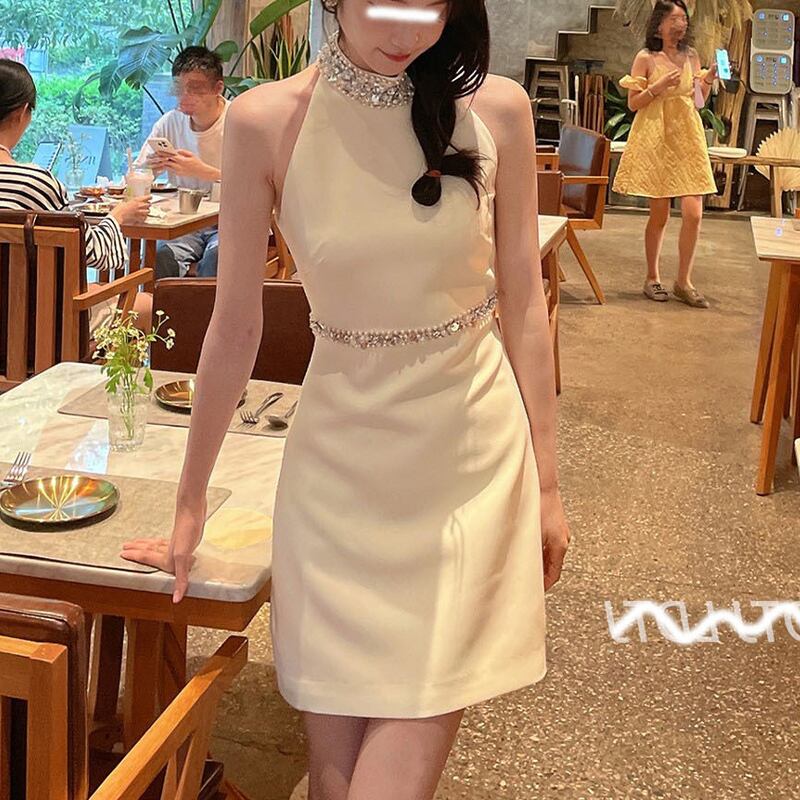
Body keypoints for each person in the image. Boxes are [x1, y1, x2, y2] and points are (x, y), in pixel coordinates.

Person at [121, 0, 571, 796]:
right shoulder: (266, 121)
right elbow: (235, 328)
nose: (404, 32)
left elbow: (526, 306)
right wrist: (190, 503)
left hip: (466, 459)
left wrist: (549, 481)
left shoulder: (495, 108)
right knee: (332, 783)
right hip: (335, 472)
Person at [0, 59, 151, 329]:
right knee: (147, 305)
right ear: (22, 113)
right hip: (32, 328)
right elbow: (91, 252)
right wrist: (118, 216)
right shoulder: (33, 183)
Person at [612, 0, 717, 308]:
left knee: (694, 213)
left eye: (683, 19)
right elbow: (633, 103)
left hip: (687, 137)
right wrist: (657, 86)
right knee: (659, 215)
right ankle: (652, 277)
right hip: (657, 136)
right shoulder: (646, 57)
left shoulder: (692, 56)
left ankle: (684, 281)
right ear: (658, 25)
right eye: (674, 19)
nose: (680, 24)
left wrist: (707, 80)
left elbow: (698, 102)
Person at [135, 46, 228, 279]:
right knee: (160, 256)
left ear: (218, 88)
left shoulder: (238, 121)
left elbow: (255, 185)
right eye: (179, 88)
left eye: (195, 88)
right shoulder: (170, 123)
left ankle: (206, 305)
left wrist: (203, 171)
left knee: (217, 257)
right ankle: (163, 305)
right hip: (184, 224)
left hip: (229, 221)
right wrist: (150, 169)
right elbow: (137, 173)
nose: (185, 96)